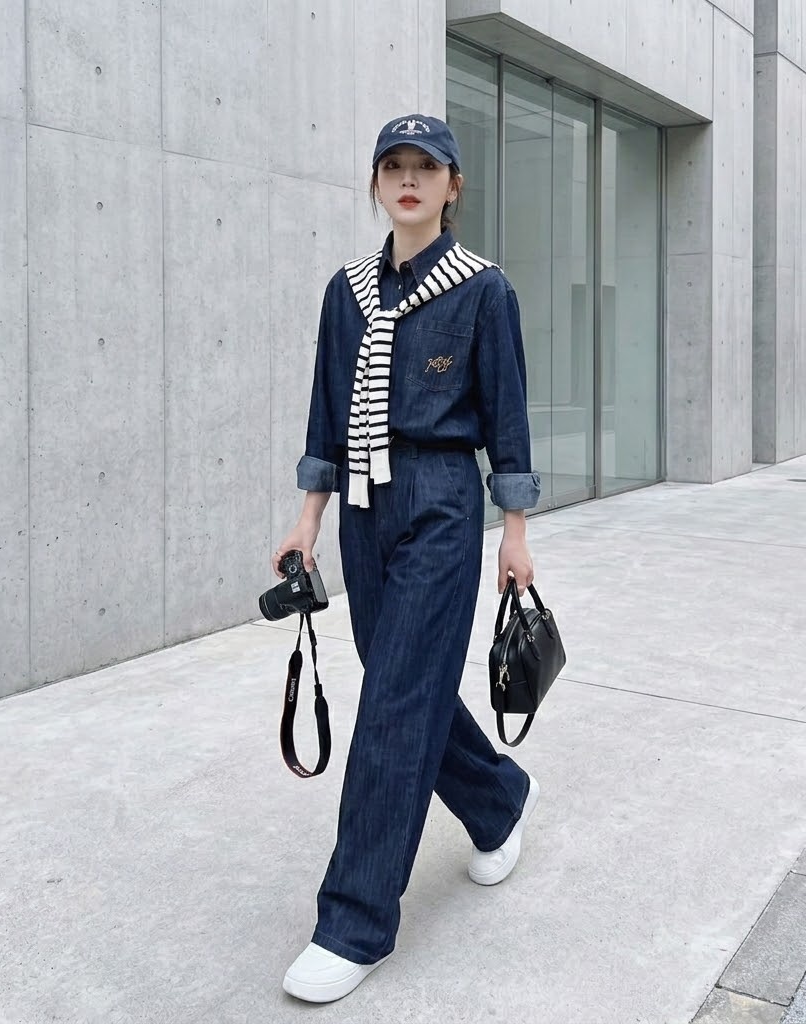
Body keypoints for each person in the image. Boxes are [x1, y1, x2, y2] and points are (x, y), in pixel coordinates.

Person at [273, 113, 541, 1004]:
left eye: (427, 166)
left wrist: (516, 533)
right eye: (394, 166)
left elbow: (507, 418)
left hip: (440, 502)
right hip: (360, 507)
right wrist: (306, 522)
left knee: (392, 703)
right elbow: (325, 413)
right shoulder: (345, 292)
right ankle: (499, 800)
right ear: (377, 183)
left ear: (453, 185)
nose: (410, 179)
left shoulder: (483, 289)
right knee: (405, 682)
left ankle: (354, 920)